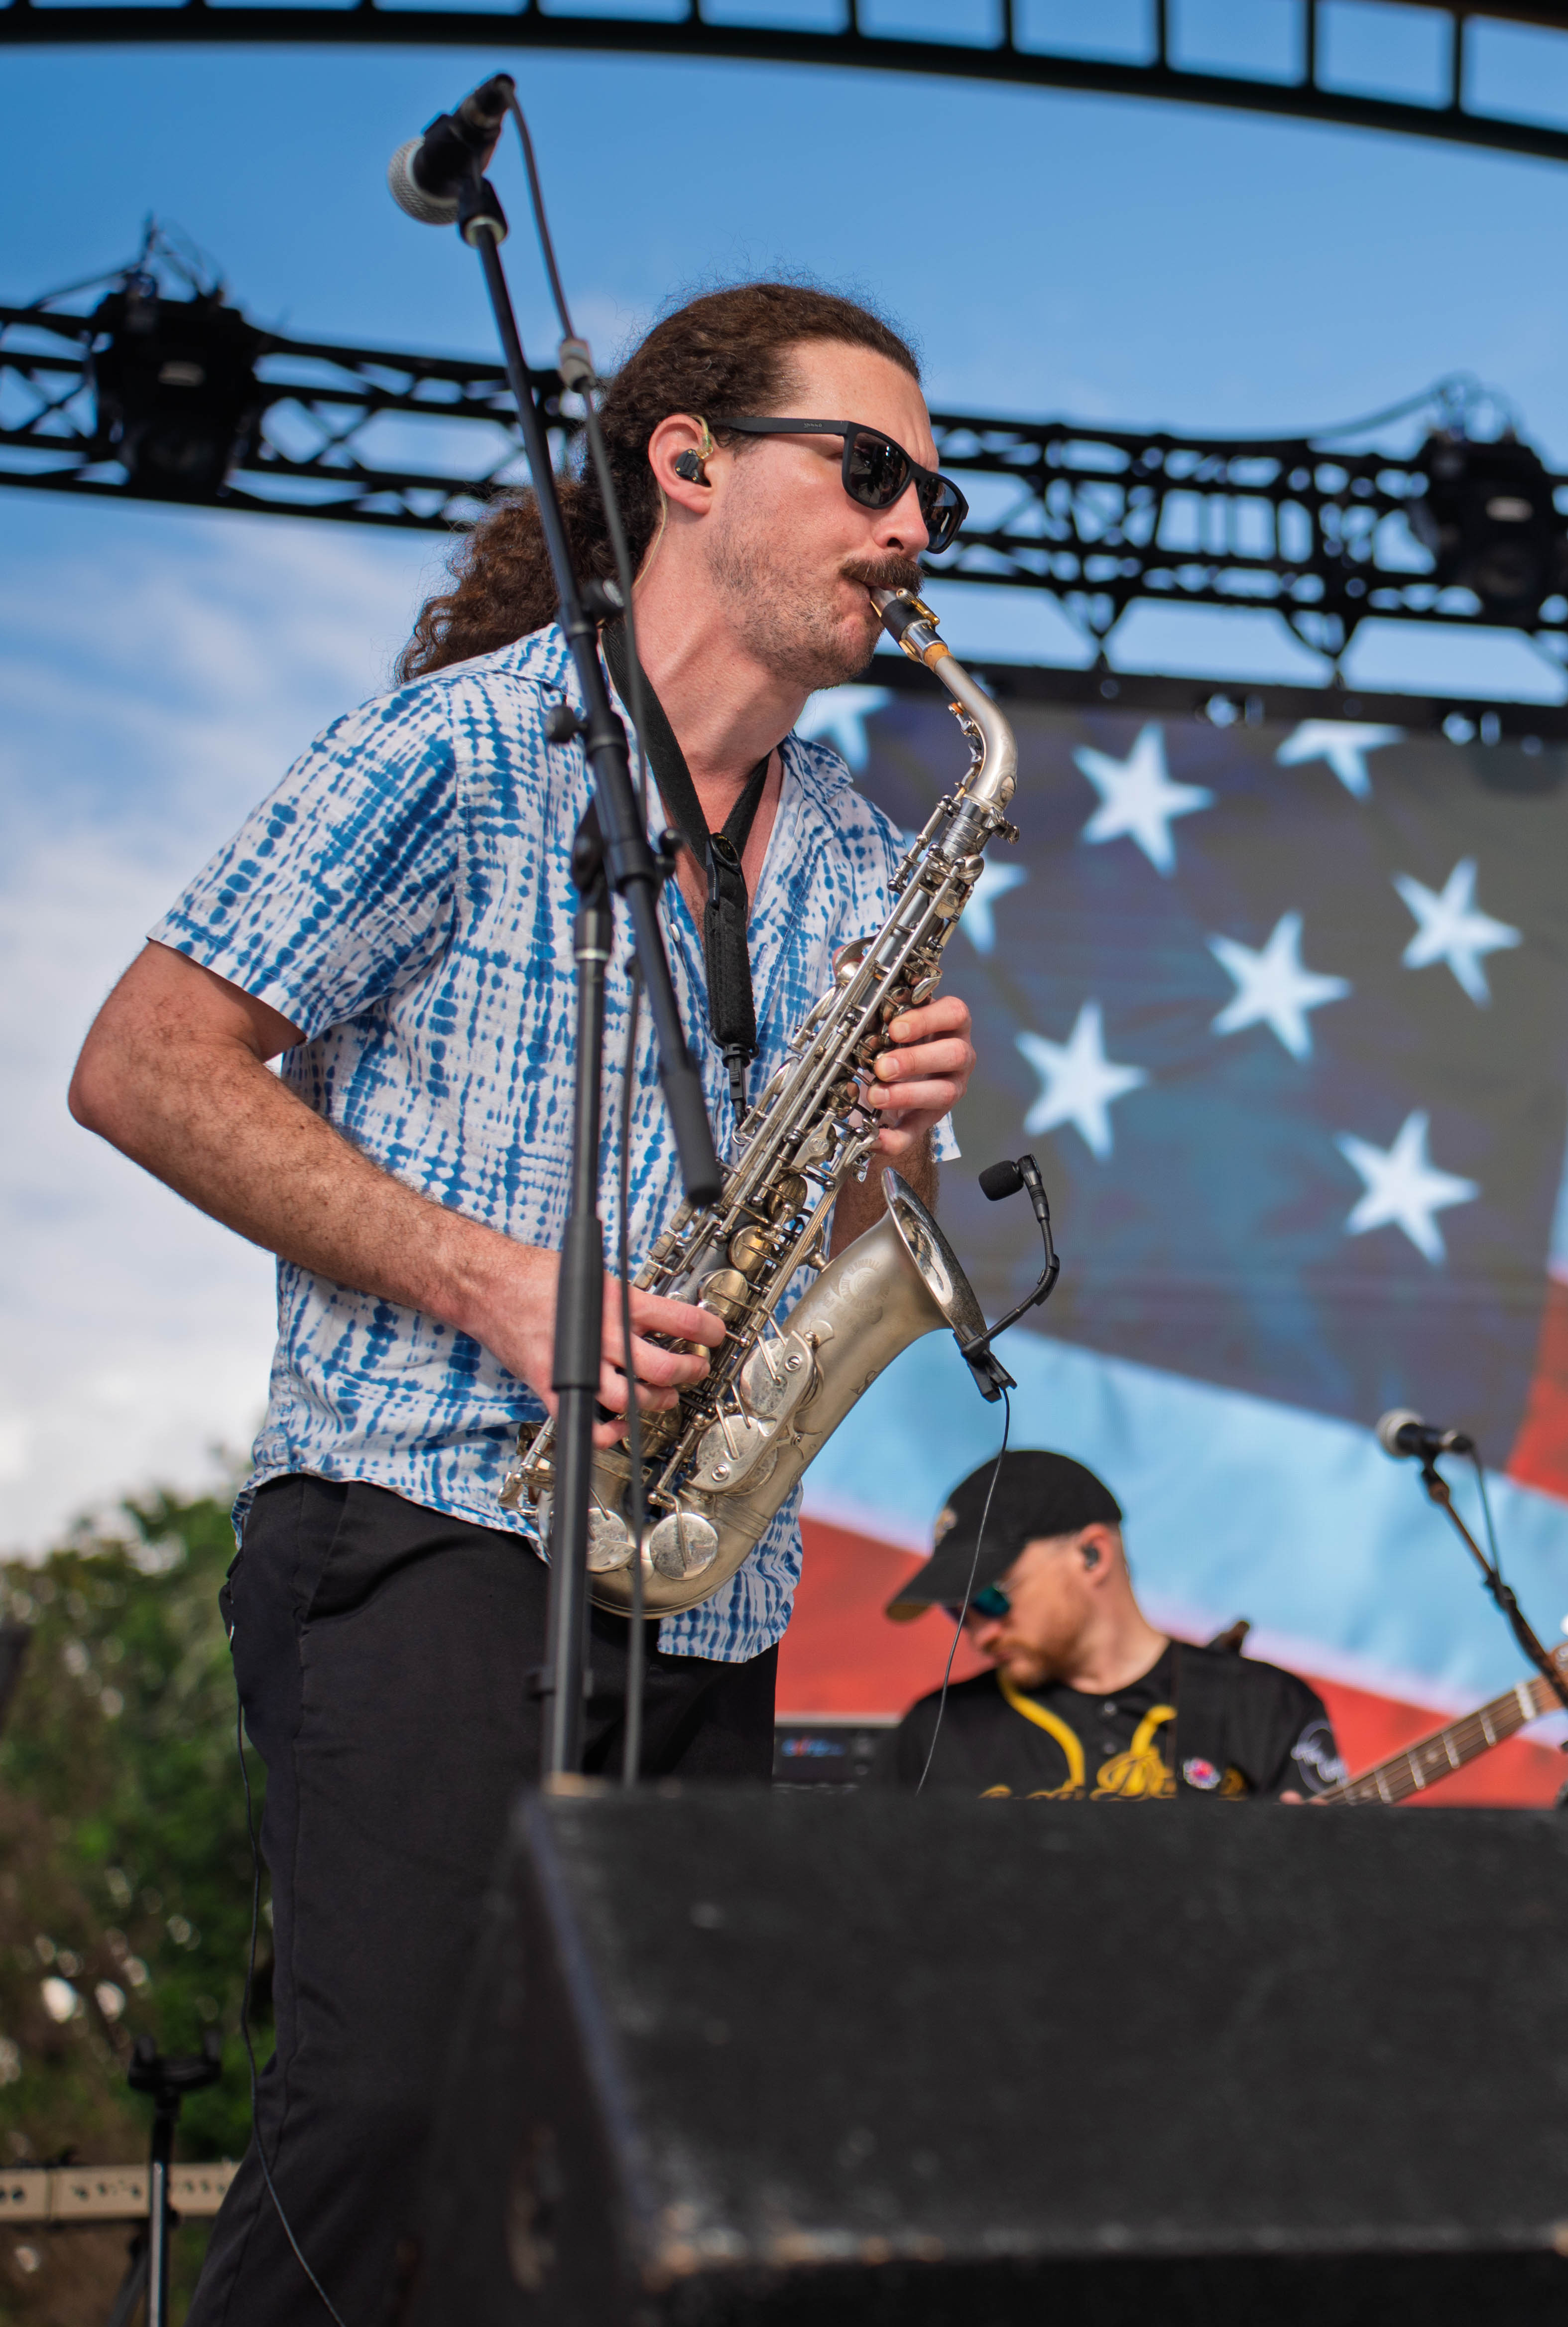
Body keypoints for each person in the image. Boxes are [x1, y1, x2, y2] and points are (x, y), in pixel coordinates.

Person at [66, 281, 982, 2327]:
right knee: (389, 2114)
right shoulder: (460, 748)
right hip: (427, 1519)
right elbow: (142, 1065)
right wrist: (493, 1280)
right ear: (688, 463)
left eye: (935, 495)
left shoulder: (860, 850)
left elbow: (842, 1235)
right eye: (868, 470)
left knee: (619, 2185)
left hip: (701, 1578)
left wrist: (898, 1147)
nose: (915, 526)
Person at [884, 1450, 1345, 1801]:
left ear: (1092, 1555)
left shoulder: (1265, 1706)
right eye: (957, 1613)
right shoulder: (935, 1732)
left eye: (991, 1598)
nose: (980, 1635)